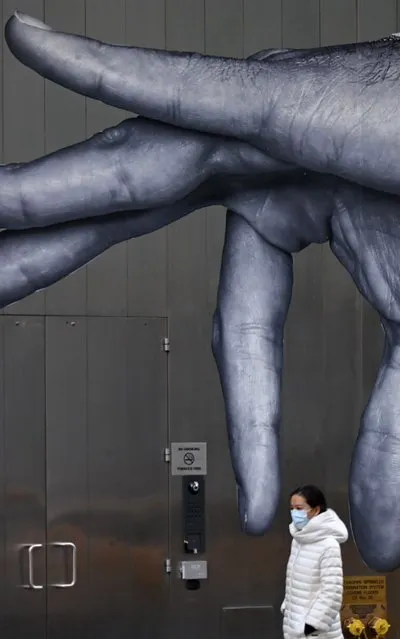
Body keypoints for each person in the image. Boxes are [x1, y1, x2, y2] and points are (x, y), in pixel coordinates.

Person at [281, 485, 348, 638]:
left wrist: (312, 625)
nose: (294, 513)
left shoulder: (328, 544)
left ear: (316, 510)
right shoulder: (299, 540)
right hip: (296, 624)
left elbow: (332, 592)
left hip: (317, 632)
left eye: (299, 508)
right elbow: (297, 581)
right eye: (292, 508)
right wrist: (288, 607)